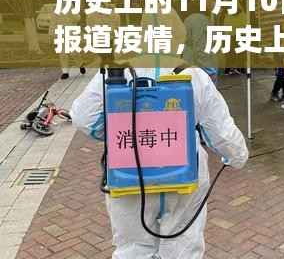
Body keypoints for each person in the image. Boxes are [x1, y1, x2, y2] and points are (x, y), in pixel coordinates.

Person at [71, 65, 249, 259]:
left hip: (129, 178)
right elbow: (222, 131)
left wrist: (117, 133)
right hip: (183, 181)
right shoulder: (193, 75)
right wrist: (237, 157)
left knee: (133, 248)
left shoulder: (115, 72)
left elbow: (83, 117)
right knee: (183, 245)